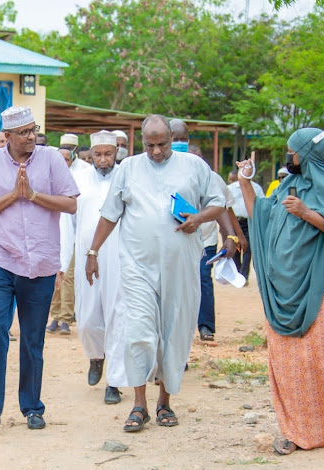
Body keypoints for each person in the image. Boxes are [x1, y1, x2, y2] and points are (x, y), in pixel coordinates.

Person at [85, 115, 226, 432]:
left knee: (173, 333)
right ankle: (139, 405)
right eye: (150, 145)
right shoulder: (129, 168)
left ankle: (164, 403)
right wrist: (92, 252)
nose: (157, 151)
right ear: (141, 143)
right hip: (137, 265)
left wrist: (199, 218)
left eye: (162, 144)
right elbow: (110, 214)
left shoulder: (193, 166)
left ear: (171, 139)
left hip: (180, 266)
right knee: (138, 331)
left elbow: (219, 203)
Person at [0, 106, 79, 431]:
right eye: (25, 132)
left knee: (32, 339)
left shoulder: (52, 160)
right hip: (0, 260)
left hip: (40, 263)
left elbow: (71, 203)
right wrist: (13, 195)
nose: (32, 137)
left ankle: (32, 407)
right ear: (8, 137)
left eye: (34, 130)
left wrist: (33, 195)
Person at [236, 128, 324, 455]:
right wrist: (244, 181)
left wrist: (307, 214)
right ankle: (296, 429)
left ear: (307, 156)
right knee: (290, 363)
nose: (289, 158)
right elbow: (262, 217)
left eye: (292, 152)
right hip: (284, 290)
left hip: (319, 288)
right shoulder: (287, 184)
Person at [63, 131, 127, 404]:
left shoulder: (126, 178)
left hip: (120, 258)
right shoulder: (78, 180)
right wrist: (63, 261)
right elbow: (67, 223)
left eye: (108, 154)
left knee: (118, 316)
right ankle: (96, 356)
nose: (103, 160)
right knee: (87, 318)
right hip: (86, 257)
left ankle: (115, 381)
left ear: (116, 154)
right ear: (89, 155)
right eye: (97, 155)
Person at [170, 119, 240, 342]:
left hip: (203, 241)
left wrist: (231, 235)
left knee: (200, 282)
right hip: (167, 242)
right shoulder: (156, 170)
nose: (178, 144)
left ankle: (204, 327)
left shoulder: (206, 174)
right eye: (175, 140)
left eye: (183, 140)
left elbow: (221, 207)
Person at [46, 148, 77, 335]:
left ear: (71, 161)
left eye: (67, 159)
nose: (64, 162)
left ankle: (66, 318)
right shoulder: (47, 180)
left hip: (71, 239)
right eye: (60, 158)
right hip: (51, 238)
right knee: (52, 277)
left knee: (68, 278)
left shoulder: (76, 181)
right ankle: (55, 316)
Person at [228, 169, 265, 281]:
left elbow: (262, 204)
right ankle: (238, 272)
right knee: (235, 246)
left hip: (249, 221)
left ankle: (244, 275)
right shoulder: (231, 188)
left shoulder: (256, 188)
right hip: (235, 221)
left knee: (248, 247)